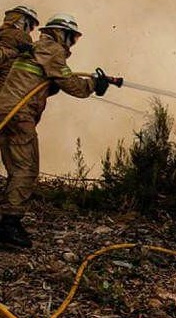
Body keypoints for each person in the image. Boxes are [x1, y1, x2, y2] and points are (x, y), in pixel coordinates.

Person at [0, 14, 115, 248]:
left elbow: (41, 83)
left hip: (7, 111)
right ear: (60, 32)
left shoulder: (36, 49)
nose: (71, 44)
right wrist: (95, 84)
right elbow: (72, 85)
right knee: (26, 169)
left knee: (14, 167)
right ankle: (8, 226)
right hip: (18, 116)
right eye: (71, 38)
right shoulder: (51, 49)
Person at [0, 5, 39, 85]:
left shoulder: (3, 32)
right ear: (24, 21)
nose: (31, 29)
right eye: (31, 25)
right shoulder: (21, 35)